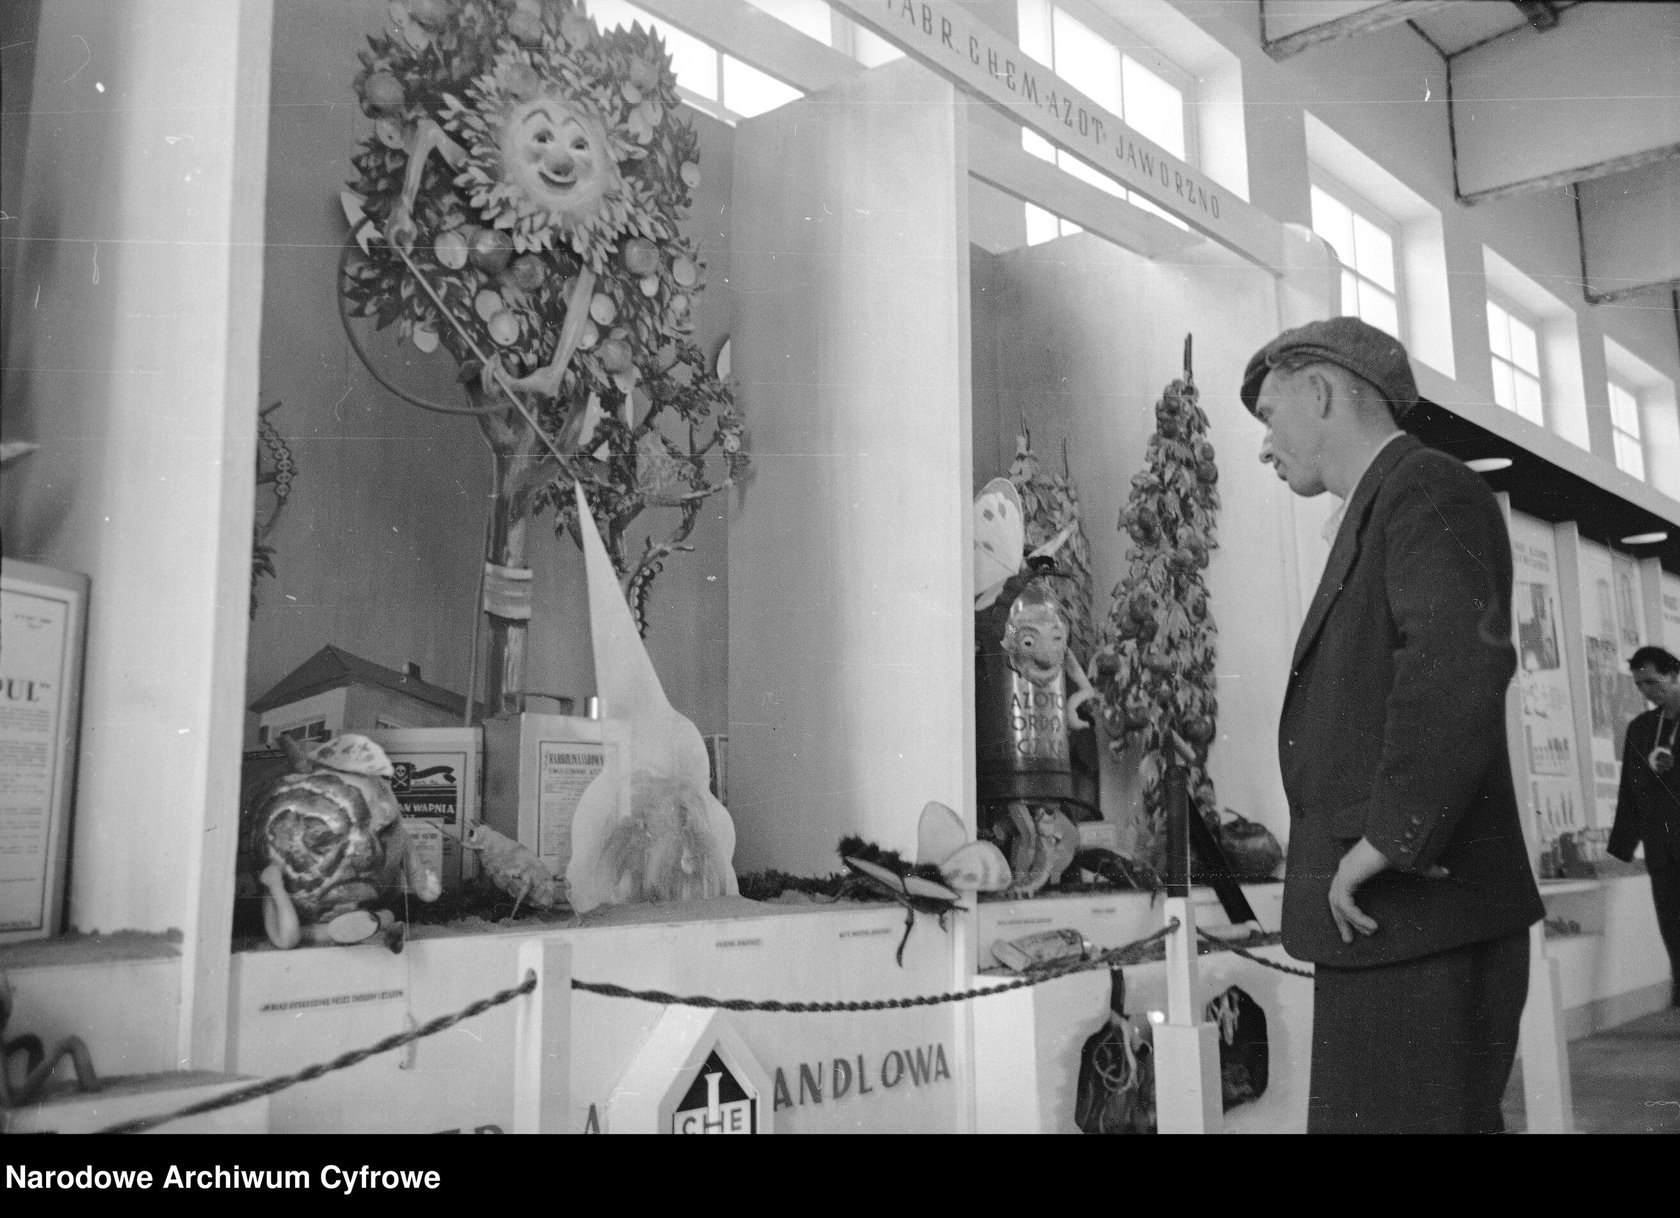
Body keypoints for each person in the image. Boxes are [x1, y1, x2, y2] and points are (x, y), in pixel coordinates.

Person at [1241, 316, 1544, 1134]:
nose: (1264, 446)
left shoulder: (1425, 487)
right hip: (1394, 924)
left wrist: (1386, 840)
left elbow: (1454, 667)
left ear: (1320, 392)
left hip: (1412, 916)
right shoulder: (1386, 504)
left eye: (1269, 415)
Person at [1610, 646, 1680, 1006]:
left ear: (1674, 675)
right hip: (1662, 848)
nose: (1647, 691)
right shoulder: (1641, 729)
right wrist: (1622, 846)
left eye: (1652, 682)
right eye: (1639, 685)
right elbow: (1629, 789)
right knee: (1672, 927)